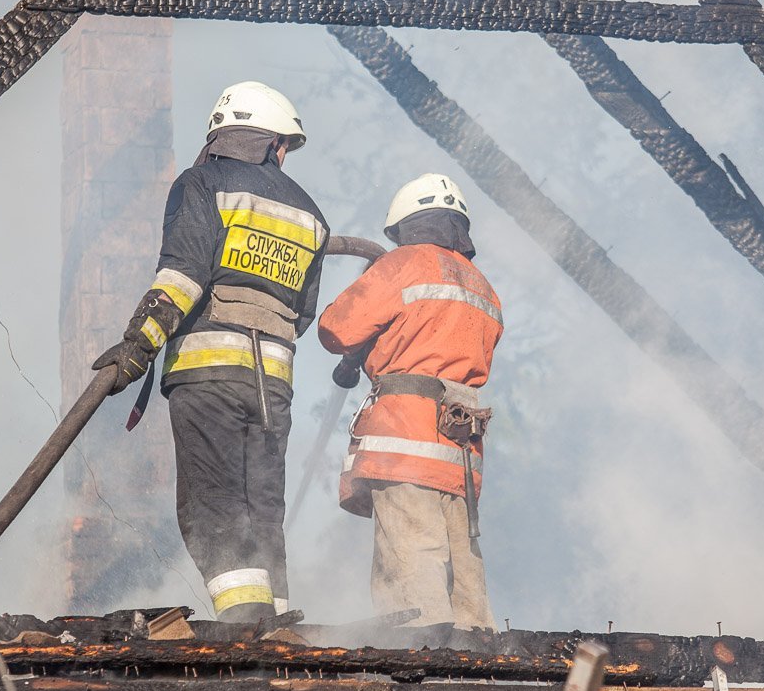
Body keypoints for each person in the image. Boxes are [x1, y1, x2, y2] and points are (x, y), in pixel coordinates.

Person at [93, 81, 329, 622]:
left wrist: (139, 345)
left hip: (207, 376)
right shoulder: (312, 214)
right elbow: (305, 312)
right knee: (264, 505)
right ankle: (279, 622)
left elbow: (183, 274)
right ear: (272, 143)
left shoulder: (201, 183)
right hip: (273, 384)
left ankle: (244, 624)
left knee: (215, 502)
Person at [318, 173, 503, 629]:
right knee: (464, 565)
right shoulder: (483, 286)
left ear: (407, 227)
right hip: (461, 448)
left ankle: (419, 663)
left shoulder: (403, 264)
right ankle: (477, 665)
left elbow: (336, 328)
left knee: (410, 562)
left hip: (405, 439)